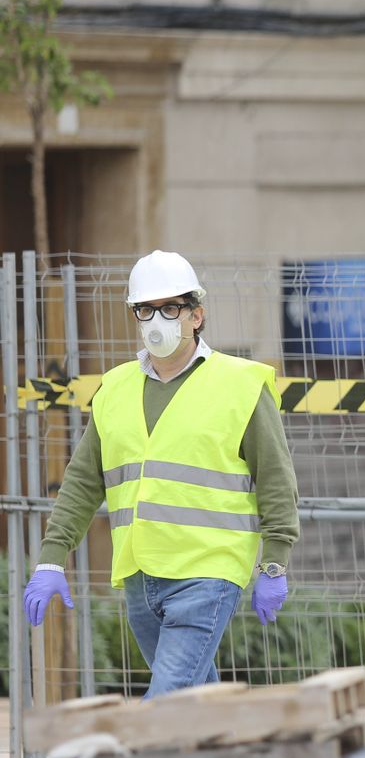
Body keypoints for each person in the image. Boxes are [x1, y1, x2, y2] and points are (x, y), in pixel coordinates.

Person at [21, 250, 299, 698]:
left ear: (196, 315)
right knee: (194, 702)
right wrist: (53, 556)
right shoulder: (114, 389)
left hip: (208, 572)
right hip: (140, 575)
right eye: (145, 310)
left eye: (170, 308)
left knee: (165, 702)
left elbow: (275, 479)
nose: (157, 320)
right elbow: (83, 480)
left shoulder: (240, 384)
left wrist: (275, 560)